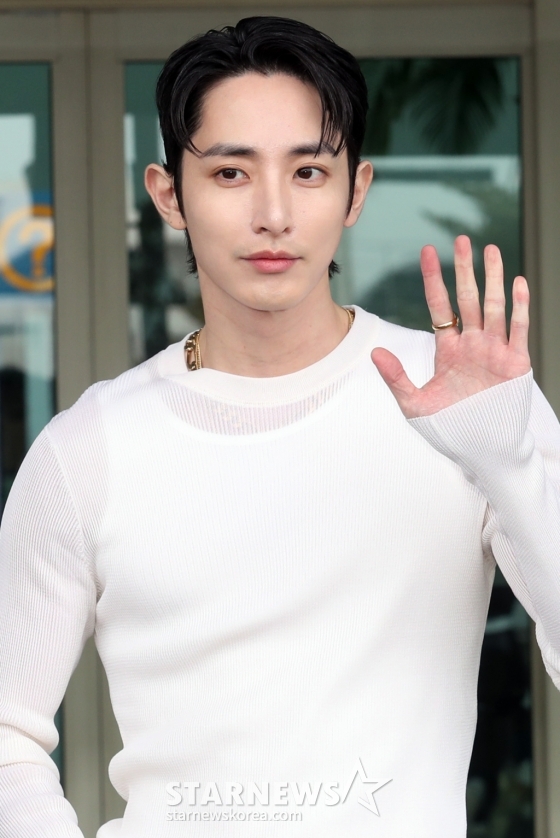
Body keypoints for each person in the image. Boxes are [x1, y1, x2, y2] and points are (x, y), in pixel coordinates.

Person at [0, 15, 559, 838]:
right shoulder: (88, 448)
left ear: (355, 192)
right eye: (230, 172)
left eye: (308, 171)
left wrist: (511, 467)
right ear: (168, 193)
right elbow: (8, 732)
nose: (273, 213)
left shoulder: (461, 402)